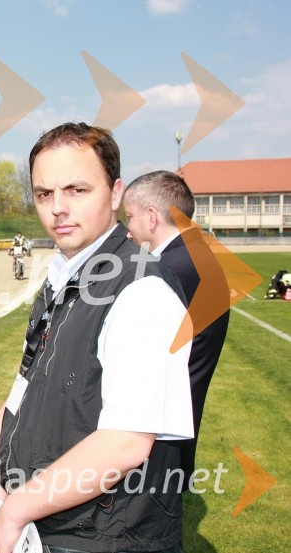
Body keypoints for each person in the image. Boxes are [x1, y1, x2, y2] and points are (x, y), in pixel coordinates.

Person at [0, 122, 193, 553]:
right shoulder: (63, 277)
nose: (58, 208)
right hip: (47, 525)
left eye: (77, 190)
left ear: (115, 193)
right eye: (44, 194)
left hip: (104, 537)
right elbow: (25, 385)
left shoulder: (142, 289)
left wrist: (15, 511)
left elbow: (125, 443)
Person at [123, 170, 230, 482]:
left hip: (156, 439)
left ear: (151, 217)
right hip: (173, 432)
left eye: (130, 217)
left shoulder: (170, 268)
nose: (128, 230)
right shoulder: (193, 254)